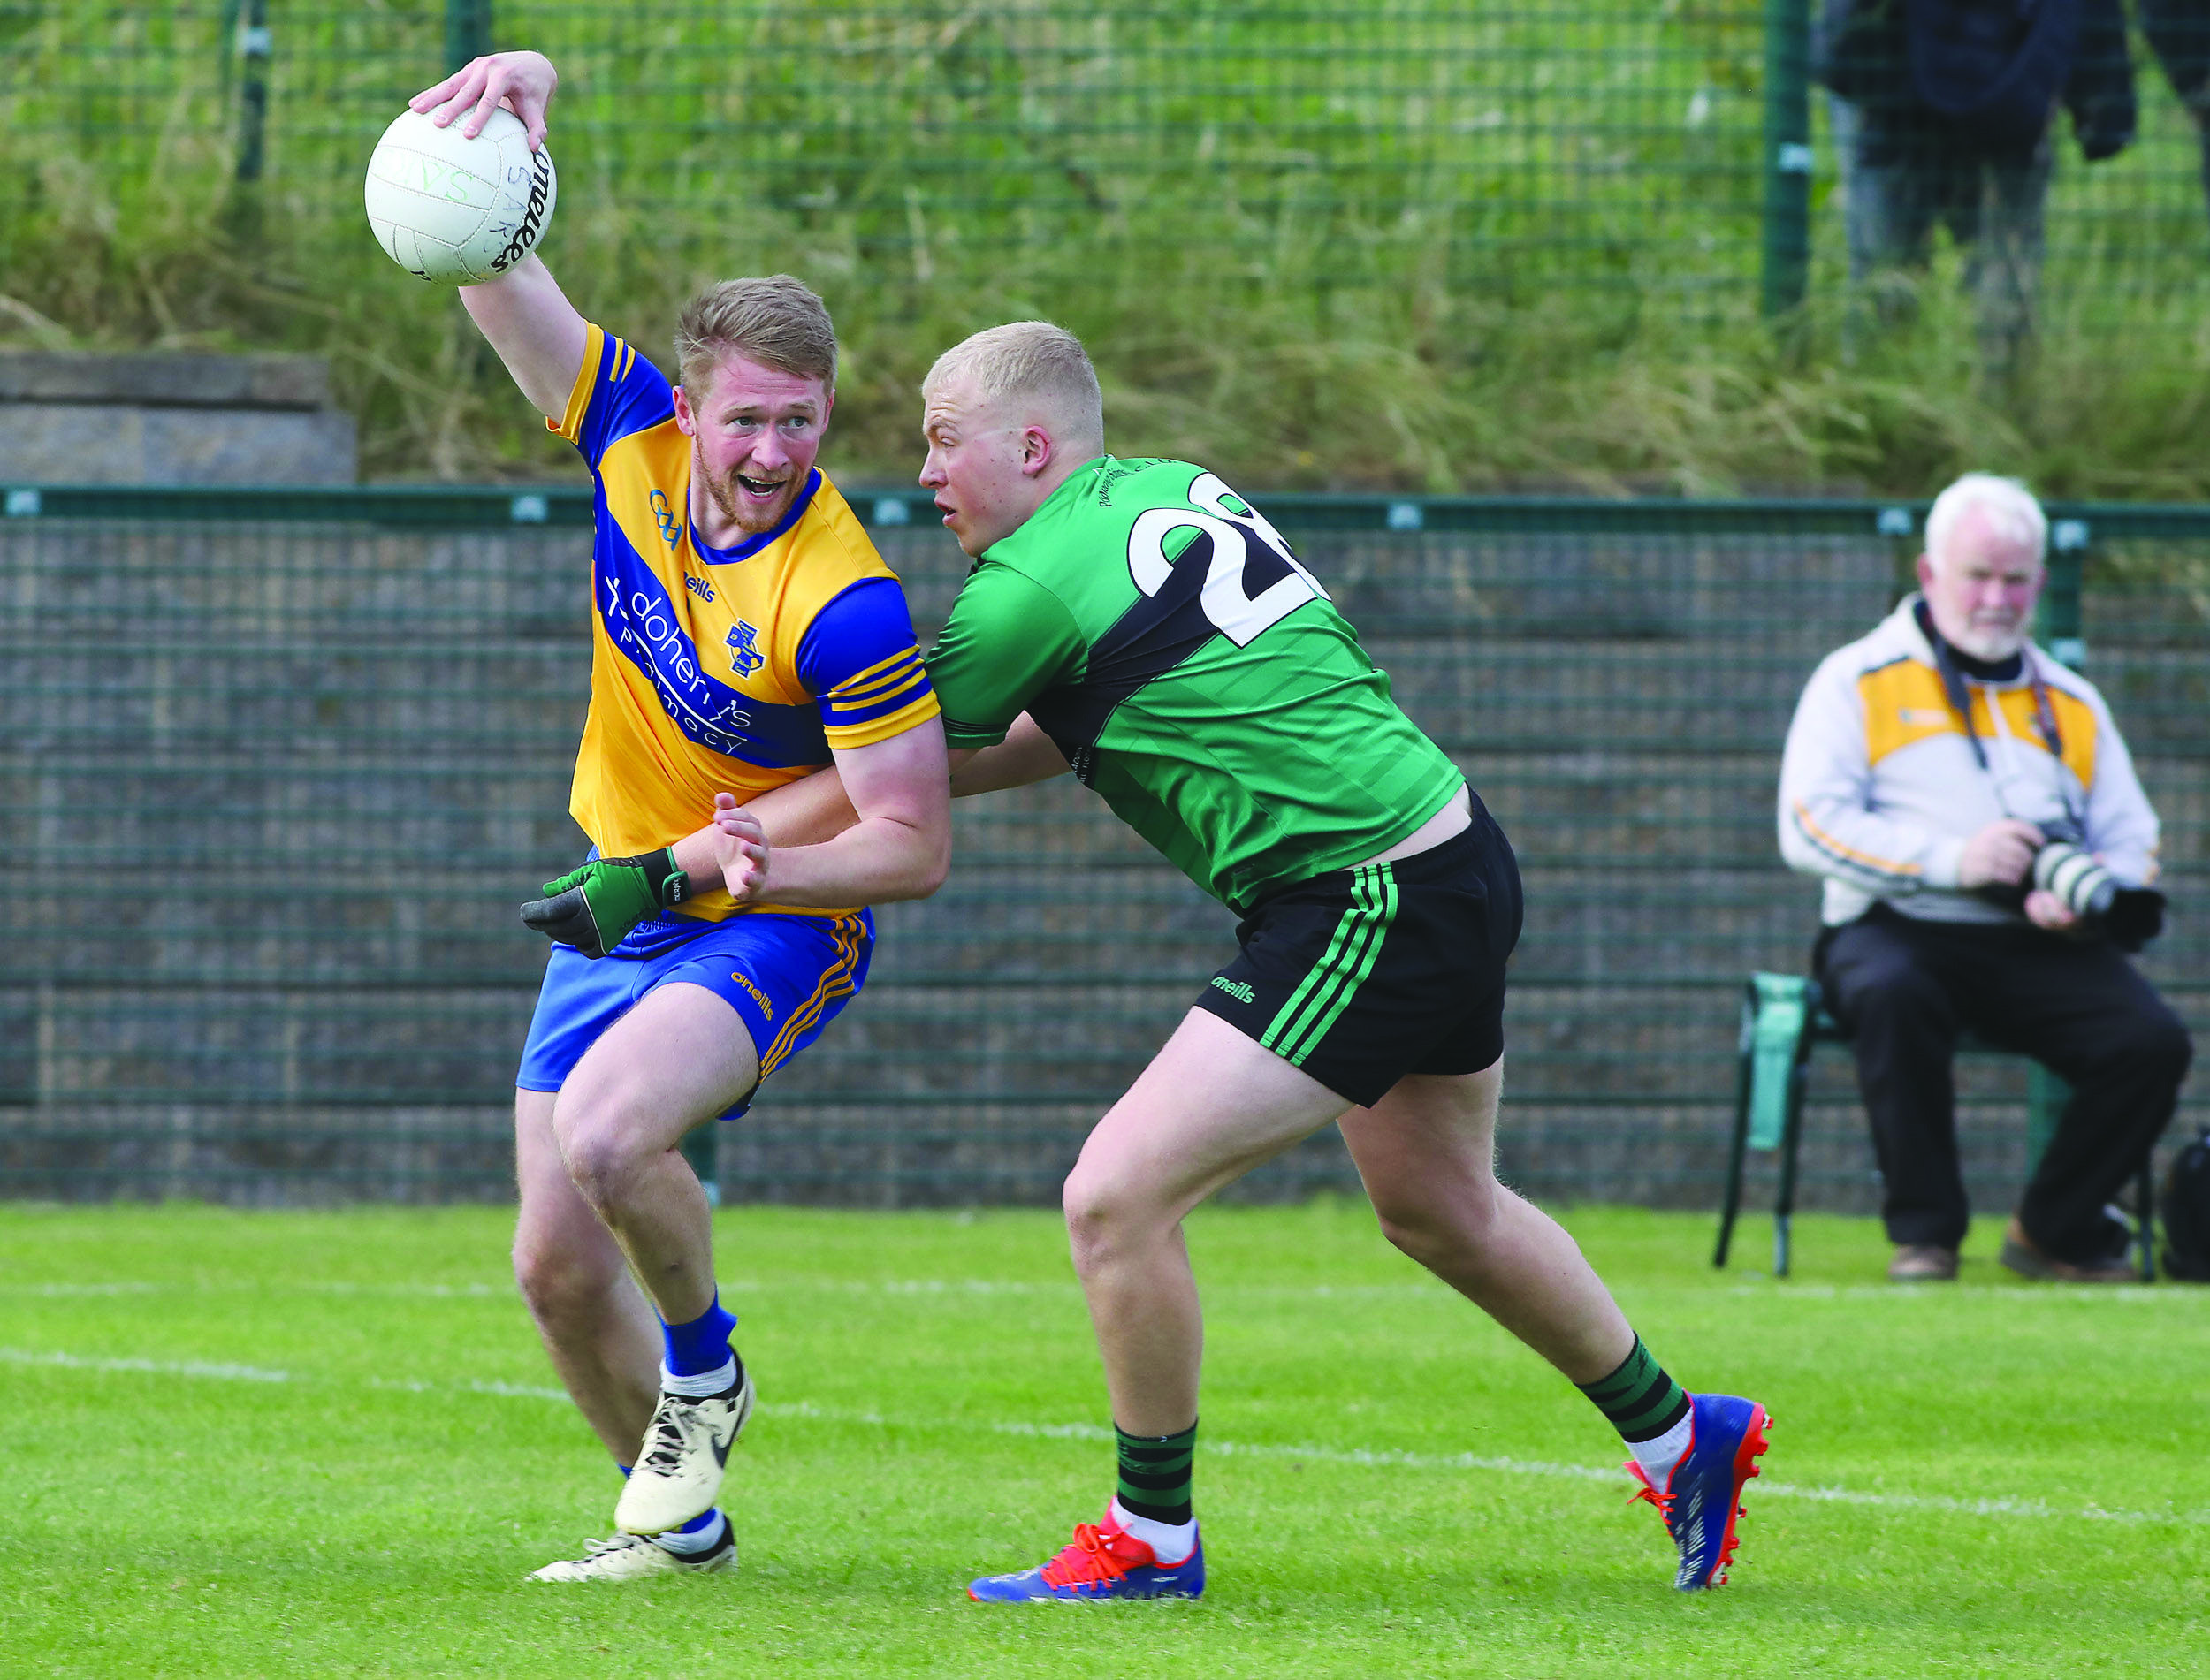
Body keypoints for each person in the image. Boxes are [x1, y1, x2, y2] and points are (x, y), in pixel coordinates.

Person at [737, 322, 1771, 1600]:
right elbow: (1052, 735)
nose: (927, 474)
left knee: (1113, 1196)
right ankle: (1684, 1436)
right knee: (1444, 1210)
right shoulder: (1164, 487)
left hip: (1365, 898)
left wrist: (695, 844)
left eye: (946, 442)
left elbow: (890, 762)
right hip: (1445, 857)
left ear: (1034, 444)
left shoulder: (1024, 590)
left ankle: (1152, 1537)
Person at [405, 51, 952, 1582]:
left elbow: (914, 836)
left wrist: (759, 863)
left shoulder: (839, 597)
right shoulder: (629, 434)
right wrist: (524, 114)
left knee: (612, 1131)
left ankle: (706, 1365)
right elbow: (490, 270)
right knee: (555, 1267)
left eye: (802, 421)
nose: (773, 452)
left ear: (829, 411)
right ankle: (680, 1524)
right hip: (621, 889)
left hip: (777, 922)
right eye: (747, 421)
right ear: (692, 402)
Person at [1779, 473, 2191, 1284]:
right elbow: (1808, 824)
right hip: (1891, 923)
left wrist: (2080, 897)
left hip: (2035, 939)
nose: (1997, 597)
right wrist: (1954, 859)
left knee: (2152, 1042)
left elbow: (2136, 838)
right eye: (1978, 575)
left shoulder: (2072, 699)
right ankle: (1925, 1238)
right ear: (1931, 575)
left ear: (2039, 581)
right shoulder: (1856, 678)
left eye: (2014, 578)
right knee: (1895, 992)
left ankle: (2053, 1231)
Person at [1815, 0, 2136, 376]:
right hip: (1976, 82)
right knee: (1911, 276)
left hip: (1965, 84)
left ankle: (1890, 398)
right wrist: (2104, 111)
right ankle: (1896, 400)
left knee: (1902, 273)